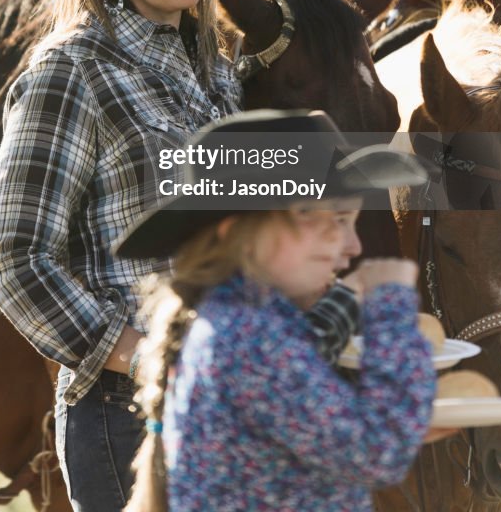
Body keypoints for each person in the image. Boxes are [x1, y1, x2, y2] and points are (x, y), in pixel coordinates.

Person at [0, 0, 259, 512]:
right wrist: (144, 355)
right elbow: (14, 259)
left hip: (235, 398)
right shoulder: (70, 73)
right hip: (126, 415)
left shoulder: (219, 74)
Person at [114, 109, 438, 512]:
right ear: (238, 234)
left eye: (351, 221)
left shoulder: (238, 322)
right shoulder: (250, 336)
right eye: (331, 219)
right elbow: (378, 453)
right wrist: (389, 308)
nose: (353, 247)